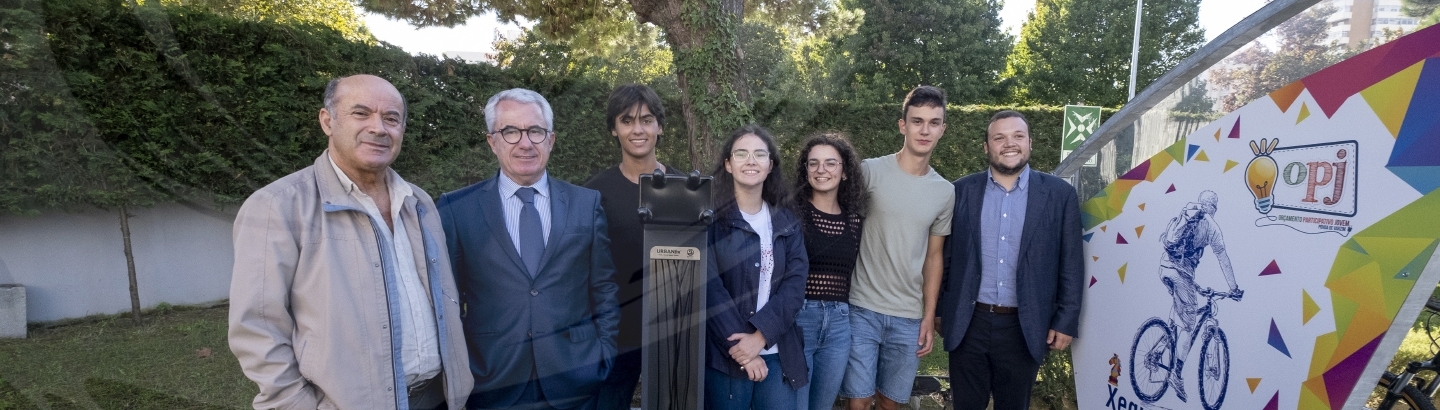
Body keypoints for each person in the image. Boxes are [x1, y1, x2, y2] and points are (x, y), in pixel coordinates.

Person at [228, 74, 472, 410]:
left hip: (439, 399)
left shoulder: (419, 202)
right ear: (328, 121)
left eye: (391, 118)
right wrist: (296, 403)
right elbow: (257, 327)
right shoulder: (278, 206)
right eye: (361, 113)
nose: (378, 128)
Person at [437, 88, 620, 410]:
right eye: (510, 131)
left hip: (574, 376)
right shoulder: (456, 209)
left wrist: (601, 355)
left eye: (535, 131)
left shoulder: (585, 203)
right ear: (492, 141)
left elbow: (602, 286)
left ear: (550, 139)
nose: (525, 143)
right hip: (493, 379)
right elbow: (446, 298)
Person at [938, 110, 1084, 410]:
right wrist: (940, 311)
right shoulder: (960, 191)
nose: (1009, 144)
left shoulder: (1059, 196)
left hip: (1025, 325)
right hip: (969, 324)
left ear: (1030, 142)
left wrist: (1066, 320)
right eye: (999, 137)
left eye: (1018, 136)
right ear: (986, 146)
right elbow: (945, 258)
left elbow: (1070, 262)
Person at [843, 86, 955, 410]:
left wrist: (928, 315)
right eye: (917, 121)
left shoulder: (945, 192)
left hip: (908, 316)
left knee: (891, 404)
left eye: (934, 122)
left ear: (942, 130)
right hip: (861, 306)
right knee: (858, 403)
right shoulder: (869, 171)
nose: (925, 129)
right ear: (902, 125)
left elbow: (934, 257)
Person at [582, 84, 680, 410]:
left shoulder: (685, 189)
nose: (638, 129)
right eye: (627, 120)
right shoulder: (596, 193)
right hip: (615, 338)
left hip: (674, 334)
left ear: (660, 127)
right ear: (614, 128)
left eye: (647, 120)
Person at [704, 124, 810, 409]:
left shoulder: (787, 223)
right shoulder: (711, 223)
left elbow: (794, 287)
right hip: (725, 355)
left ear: (770, 164)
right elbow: (709, 288)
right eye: (741, 153)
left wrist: (759, 338)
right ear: (728, 164)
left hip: (779, 353)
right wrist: (743, 350)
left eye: (759, 154)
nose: (751, 160)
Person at [791, 133, 868, 410]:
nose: (821, 170)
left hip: (839, 325)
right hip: (799, 319)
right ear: (805, 170)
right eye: (813, 163)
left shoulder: (855, 221)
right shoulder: (791, 214)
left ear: (845, 171)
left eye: (831, 163)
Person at [1156, 190, 1243, 402]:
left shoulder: (1187, 211)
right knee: (1189, 324)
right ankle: (1176, 375)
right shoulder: (1212, 227)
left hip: (1164, 267)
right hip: (1181, 273)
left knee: (1181, 306)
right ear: (1214, 207)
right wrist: (1233, 288)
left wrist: (1197, 286)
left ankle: (1161, 345)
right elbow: (1223, 258)